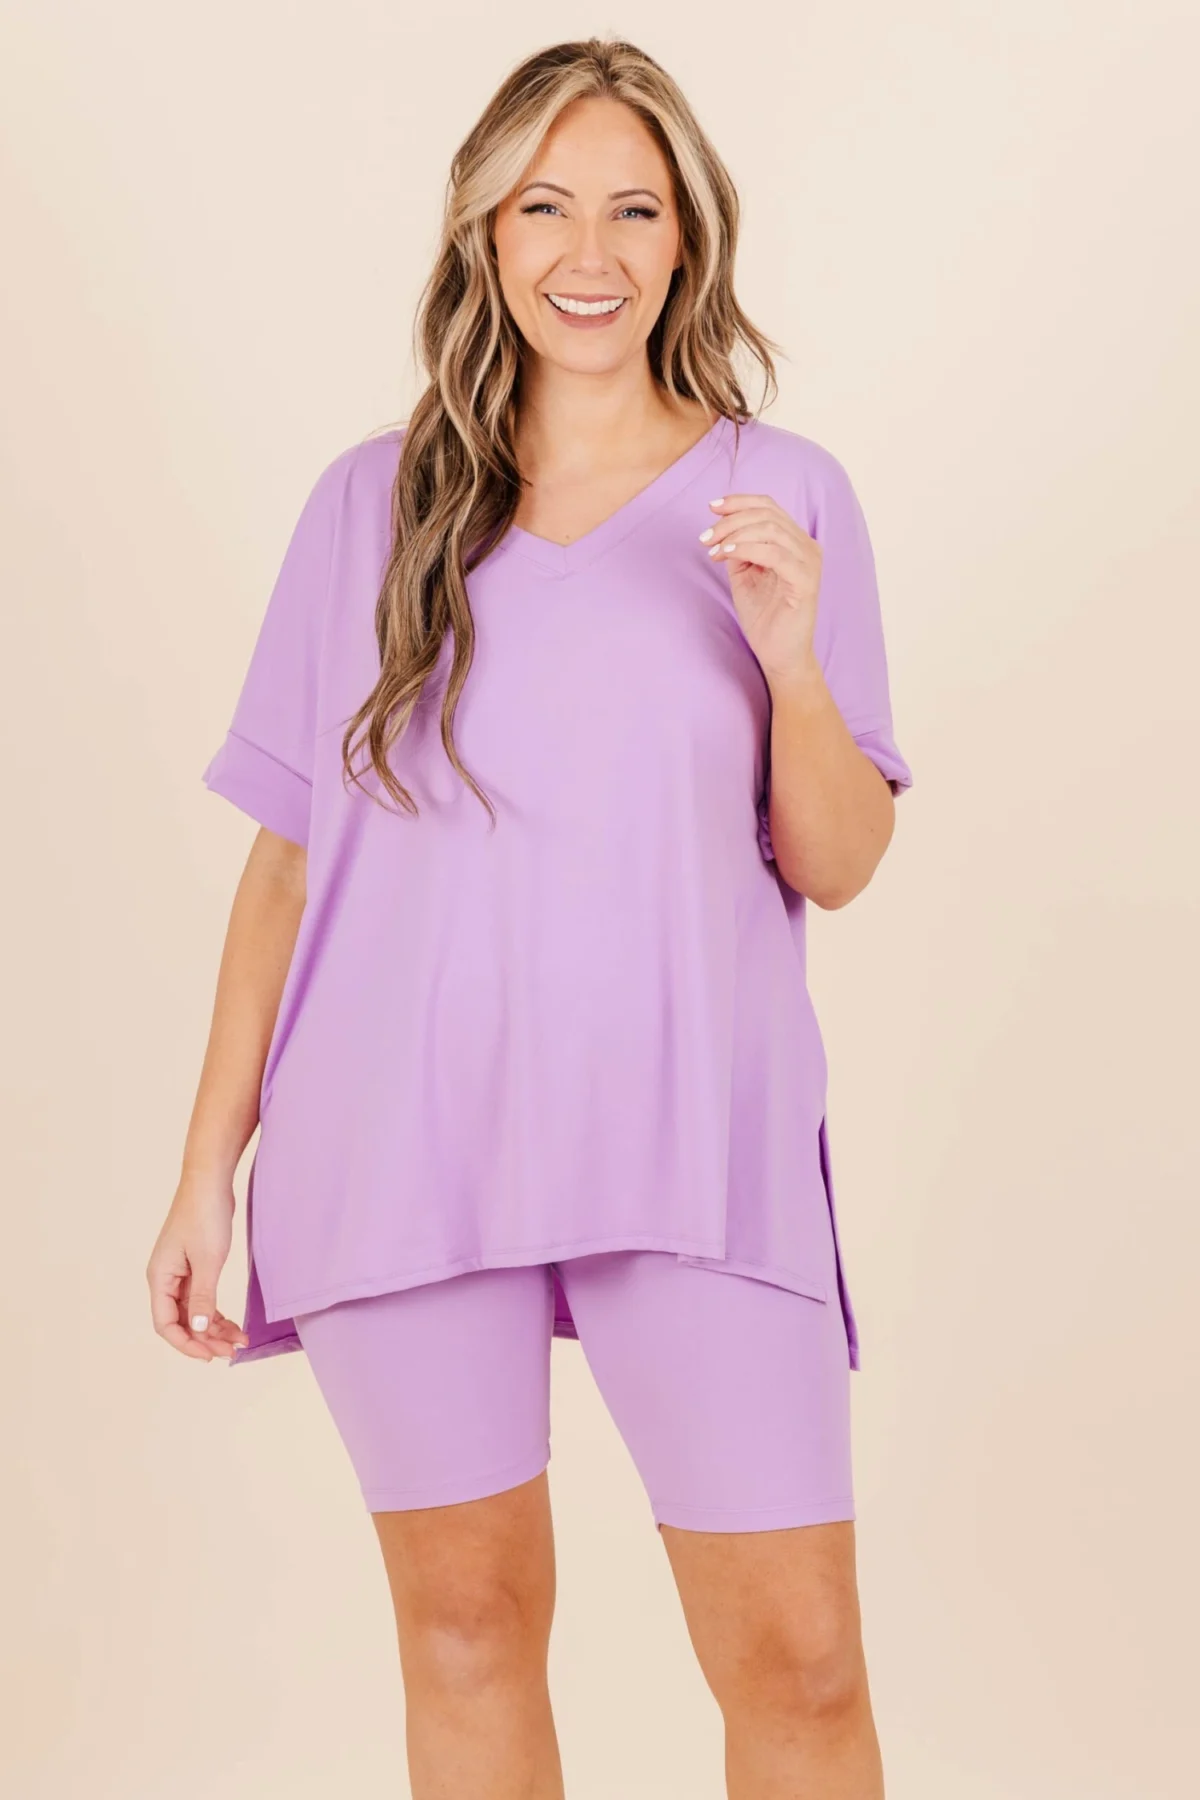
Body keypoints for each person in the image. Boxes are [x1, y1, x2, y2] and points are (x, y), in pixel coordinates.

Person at [147, 35, 913, 1800]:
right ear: (484, 235)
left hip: (693, 1142)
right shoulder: (372, 503)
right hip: (398, 1140)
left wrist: (792, 664)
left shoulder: (782, 495)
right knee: (467, 1630)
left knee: (800, 1664)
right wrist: (206, 1169)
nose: (590, 251)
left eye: (635, 209)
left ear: (687, 236)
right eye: (545, 206)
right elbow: (288, 862)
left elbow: (841, 859)